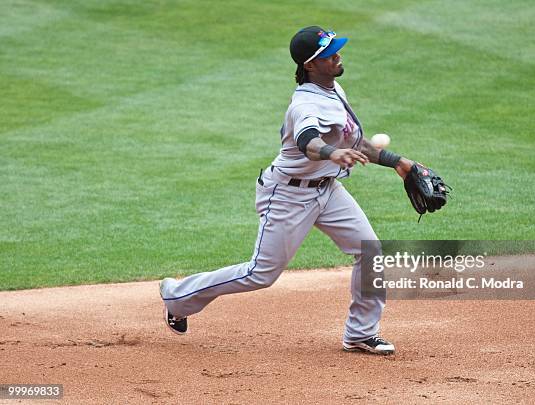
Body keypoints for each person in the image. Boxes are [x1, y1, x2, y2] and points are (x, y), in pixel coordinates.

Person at [159, 26, 416, 355]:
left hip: (327, 190)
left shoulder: (333, 88)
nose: (337, 55)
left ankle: (361, 333)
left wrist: (398, 162)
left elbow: (354, 142)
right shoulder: (304, 104)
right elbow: (308, 140)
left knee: (370, 251)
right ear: (310, 65)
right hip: (288, 196)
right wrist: (331, 153)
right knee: (260, 274)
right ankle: (177, 297)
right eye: (328, 53)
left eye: (336, 49)